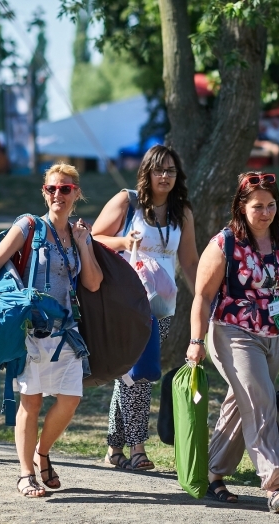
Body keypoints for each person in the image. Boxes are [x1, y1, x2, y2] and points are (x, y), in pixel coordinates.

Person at [0, 162, 102, 498]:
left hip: (67, 331)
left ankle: (42, 453)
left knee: (70, 399)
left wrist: (84, 243)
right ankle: (25, 474)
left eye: (65, 188)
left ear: (76, 193)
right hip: (30, 330)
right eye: (52, 188)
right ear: (44, 192)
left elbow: (92, 283)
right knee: (31, 402)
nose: (57, 194)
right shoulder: (29, 225)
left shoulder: (76, 235)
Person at [186, 171, 279, 514]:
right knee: (260, 399)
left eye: (271, 205)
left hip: (273, 335)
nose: (266, 212)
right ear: (241, 206)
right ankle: (274, 483)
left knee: (241, 402)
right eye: (258, 206)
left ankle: (212, 471)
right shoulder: (224, 243)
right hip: (231, 332)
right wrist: (195, 340)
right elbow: (202, 297)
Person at [92, 144, 199, 471]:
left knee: (128, 375)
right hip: (127, 302)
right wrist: (124, 243)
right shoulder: (129, 201)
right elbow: (94, 237)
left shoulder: (183, 212)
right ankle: (138, 448)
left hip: (163, 306)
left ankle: (114, 450)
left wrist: (205, 301)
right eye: (158, 170)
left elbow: (191, 261)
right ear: (147, 172)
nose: (165, 176)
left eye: (170, 170)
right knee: (137, 377)